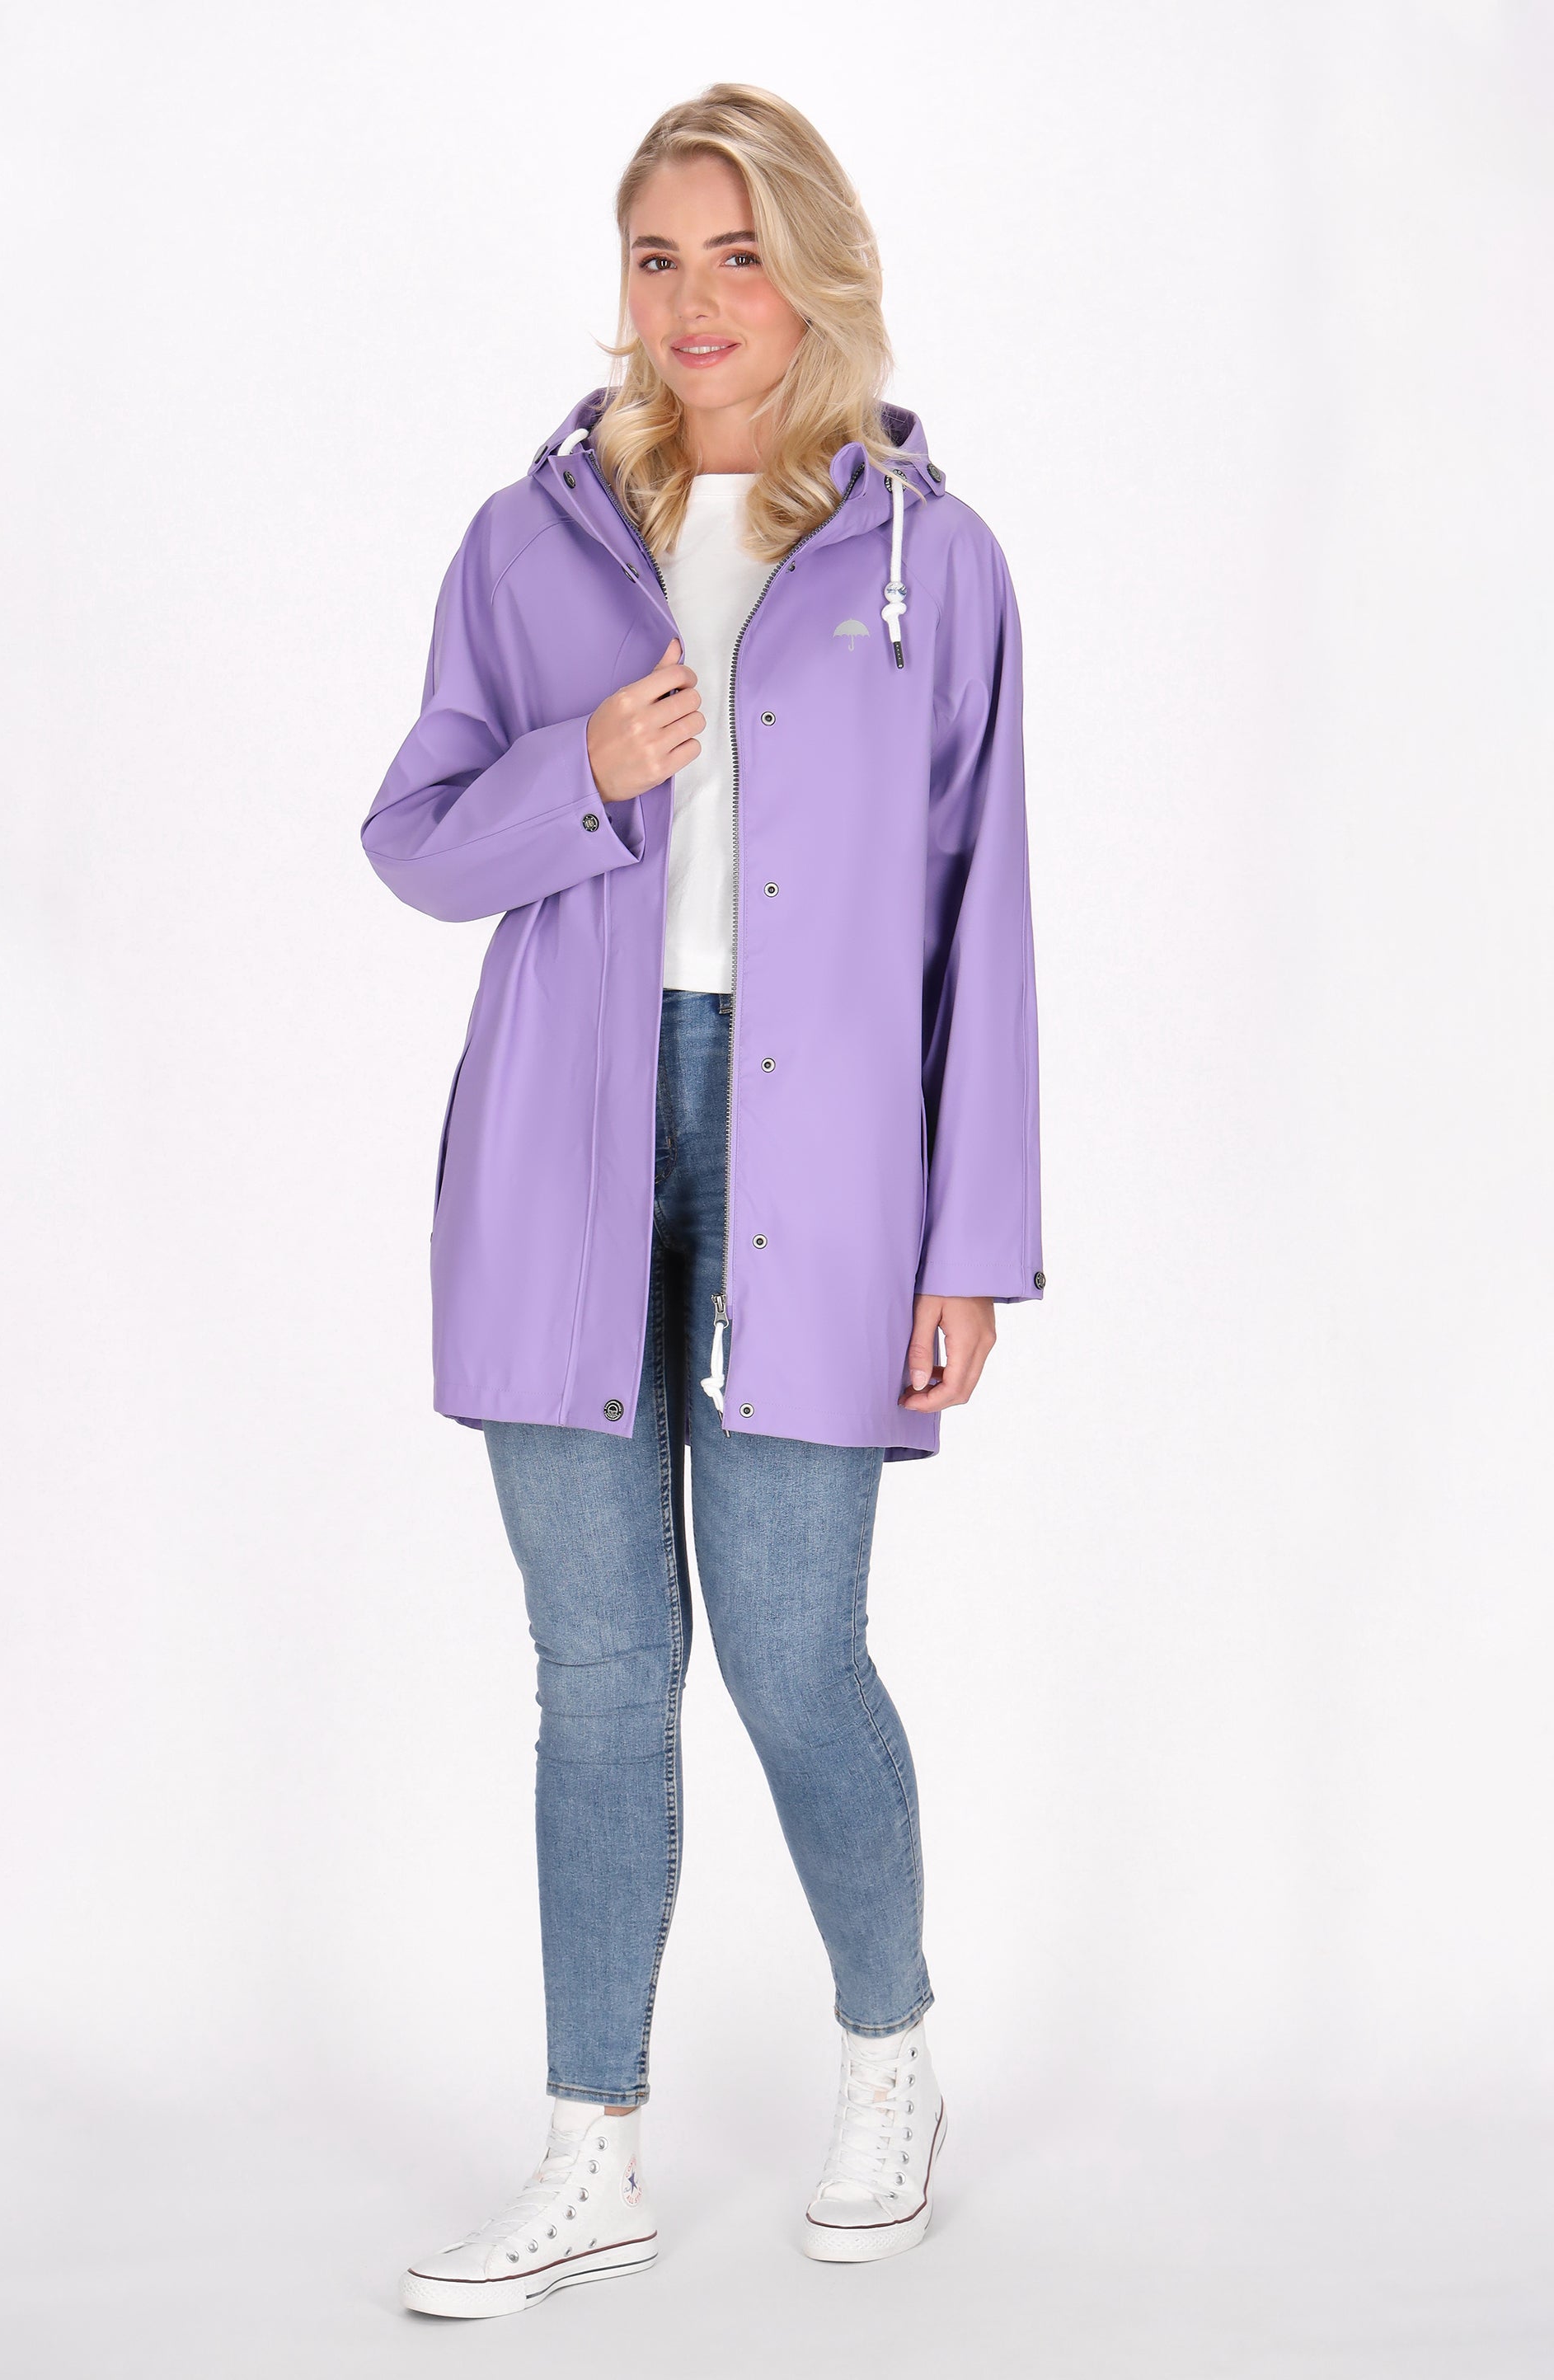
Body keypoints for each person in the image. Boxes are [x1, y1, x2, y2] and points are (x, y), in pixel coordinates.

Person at [361, 82, 1042, 2320]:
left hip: (823, 1173)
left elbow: (984, 919)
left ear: (814, 269)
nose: (694, 302)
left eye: (736, 253)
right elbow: (417, 840)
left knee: (794, 1654)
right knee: (595, 1679)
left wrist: (972, 1242)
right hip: (559, 1153)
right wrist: (583, 769)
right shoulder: (528, 540)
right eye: (658, 258)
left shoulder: (933, 561)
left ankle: (890, 2059)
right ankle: (590, 2158)